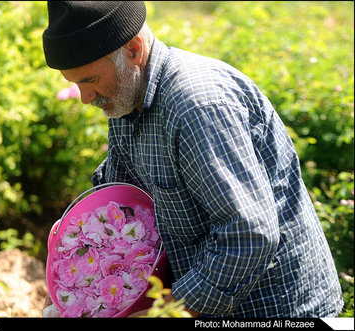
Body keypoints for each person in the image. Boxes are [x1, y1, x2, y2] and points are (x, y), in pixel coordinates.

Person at [41, 1, 343, 318]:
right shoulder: (126, 97)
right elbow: (118, 200)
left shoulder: (197, 107)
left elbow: (248, 235)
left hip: (274, 309)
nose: (85, 97)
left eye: (89, 80)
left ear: (133, 49)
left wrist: (165, 312)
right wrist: (74, 273)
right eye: (74, 83)